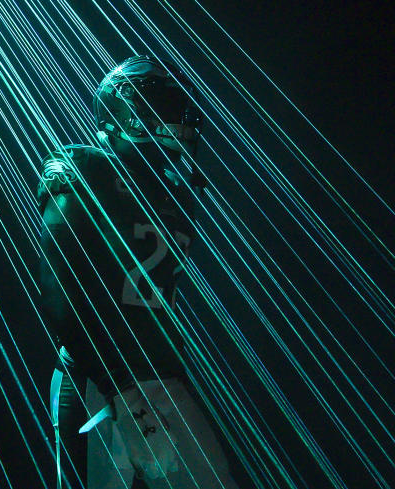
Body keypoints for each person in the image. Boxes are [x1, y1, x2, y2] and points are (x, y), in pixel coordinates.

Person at [38, 55, 241, 489]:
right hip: (98, 376)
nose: (177, 123)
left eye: (178, 110)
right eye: (162, 108)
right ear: (122, 111)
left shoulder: (175, 191)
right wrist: (118, 384)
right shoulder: (89, 170)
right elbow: (62, 294)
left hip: (159, 375)